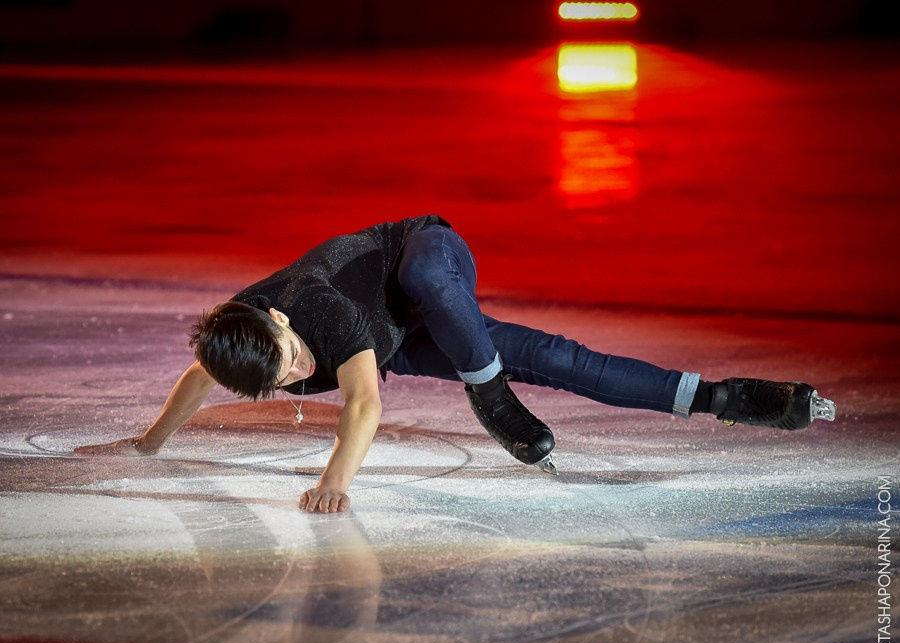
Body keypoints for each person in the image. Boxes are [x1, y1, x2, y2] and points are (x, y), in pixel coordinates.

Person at [74, 215, 837, 513]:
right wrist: (149, 443)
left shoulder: (317, 308)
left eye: (288, 354)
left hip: (425, 250)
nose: (298, 367)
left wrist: (333, 481)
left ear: (280, 319)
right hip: (409, 335)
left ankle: (489, 393)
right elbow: (200, 375)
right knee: (553, 356)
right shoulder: (243, 338)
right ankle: (722, 396)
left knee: (432, 284)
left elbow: (364, 403)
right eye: (281, 377)